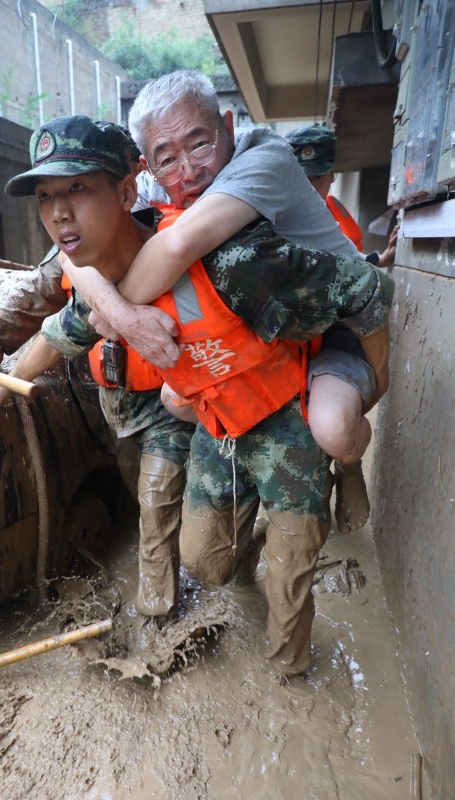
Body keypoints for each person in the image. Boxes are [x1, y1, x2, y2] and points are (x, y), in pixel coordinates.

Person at [0, 114, 392, 678]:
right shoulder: (98, 291)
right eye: (45, 197)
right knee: (205, 561)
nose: (59, 213)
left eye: (77, 190)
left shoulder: (231, 259)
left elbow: (365, 286)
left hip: (290, 419)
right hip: (218, 426)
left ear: (128, 191)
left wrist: (375, 382)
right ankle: (264, 534)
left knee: (290, 575)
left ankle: (292, 675)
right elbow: (54, 335)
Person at [59, 71, 386, 535]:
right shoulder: (163, 179)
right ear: (147, 167)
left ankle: (348, 460)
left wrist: (109, 315)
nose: (187, 171)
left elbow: (174, 248)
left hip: (331, 319)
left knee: (331, 427)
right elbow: (67, 252)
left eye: (199, 145)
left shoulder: (263, 160)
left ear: (228, 128)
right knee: (177, 398)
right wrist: (122, 315)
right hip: (262, 325)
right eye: (167, 158)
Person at [286, 124, 398, 268]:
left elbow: (343, 250)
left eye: (317, 177)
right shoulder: (273, 213)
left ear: (332, 175)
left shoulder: (323, 218)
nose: (310, 186)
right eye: (302, 178)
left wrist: (380, 259)